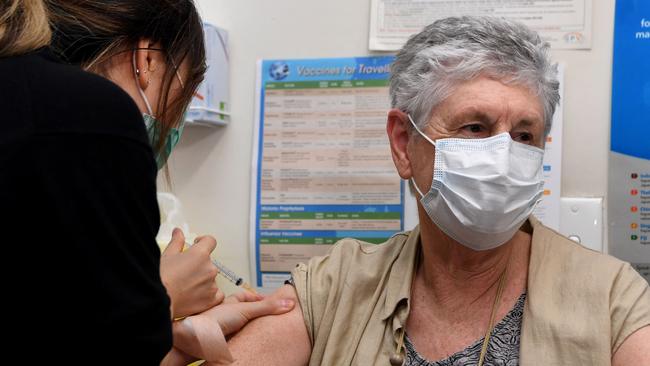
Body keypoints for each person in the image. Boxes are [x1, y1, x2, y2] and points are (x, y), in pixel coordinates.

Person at [173, 16, 650, 365]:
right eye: (474, 127)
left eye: (524, 135)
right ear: (404, 144)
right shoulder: (335, 286)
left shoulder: (614, 299)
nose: (504, 156)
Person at [1, 0, 292, 363]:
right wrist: (165, 293)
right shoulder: (88, 118)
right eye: (183, 95)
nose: (174, 124)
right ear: (148, 60)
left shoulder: (26, 109)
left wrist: (175, 332)